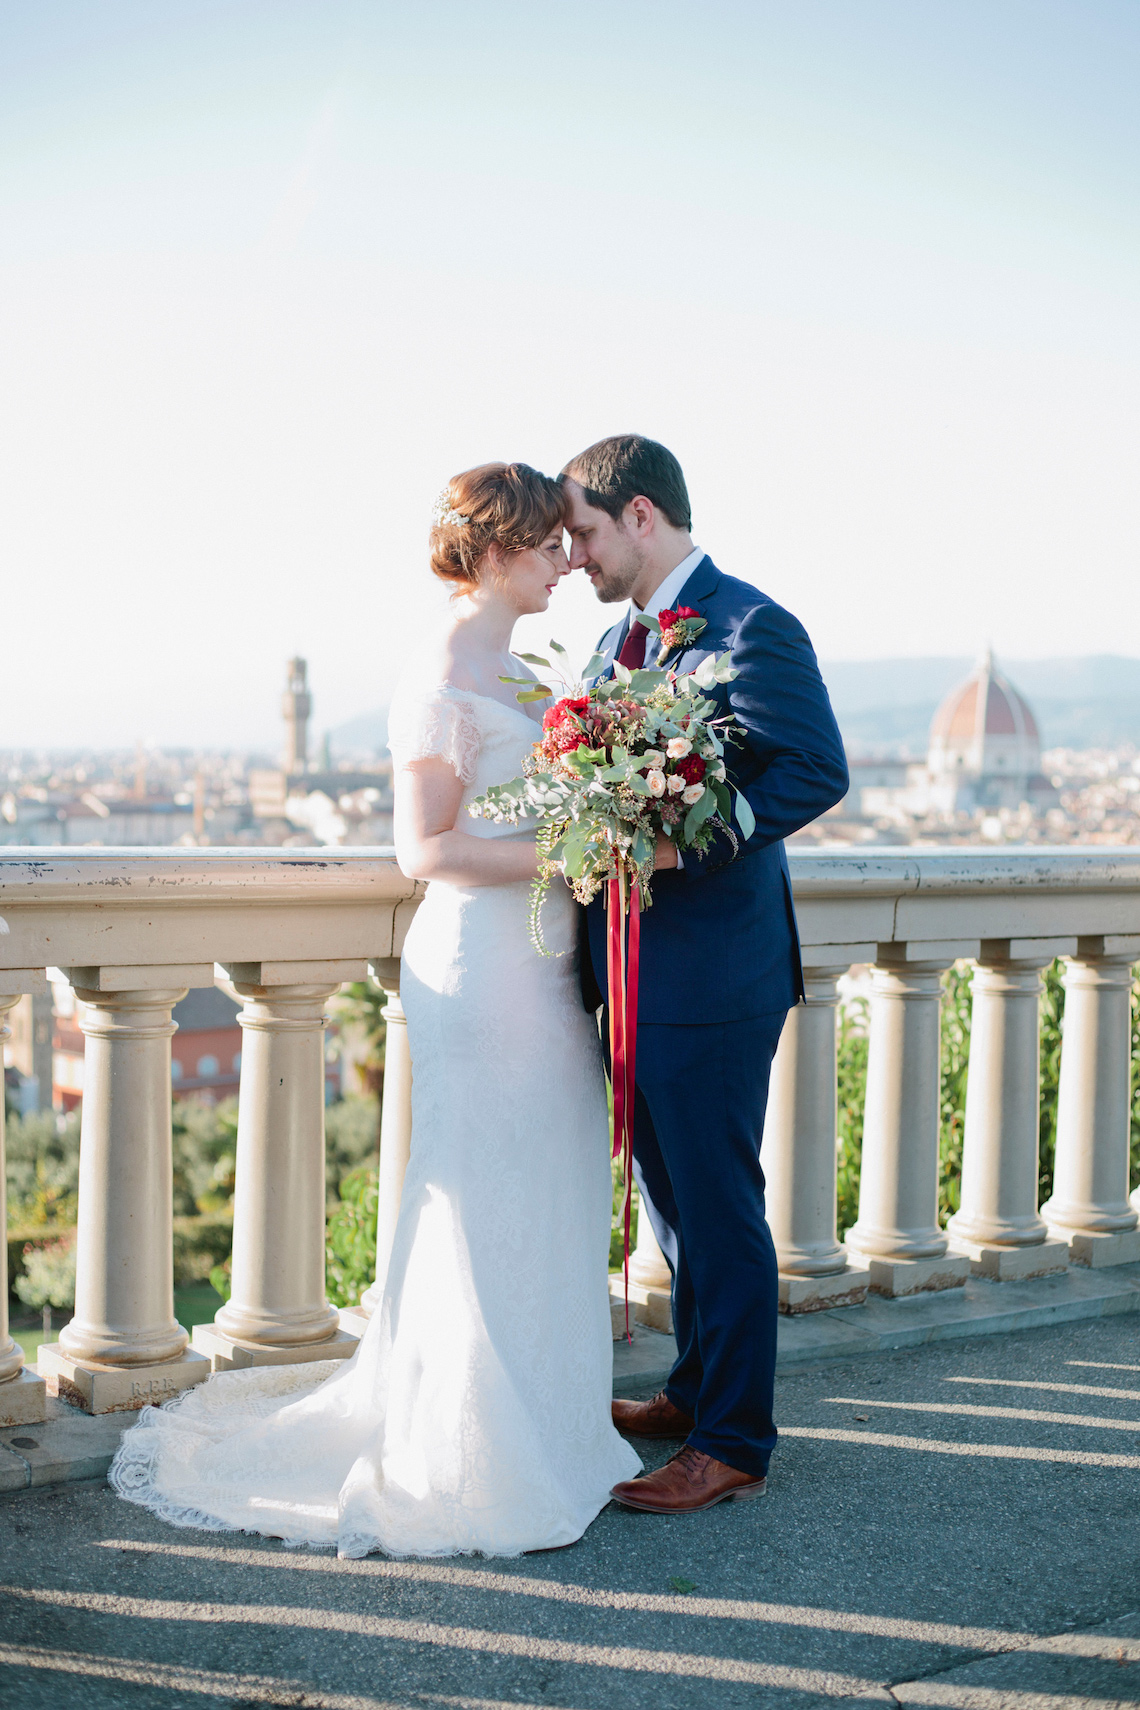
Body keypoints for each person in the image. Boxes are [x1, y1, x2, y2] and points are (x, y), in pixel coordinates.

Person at [110, 461, 640, 1557]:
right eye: (547, 546)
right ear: (496, 551)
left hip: (540, 967)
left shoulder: (521, 665)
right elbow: (425, 848)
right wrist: (567, 845)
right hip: (484, 972)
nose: (563, 563)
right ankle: (465, 1454)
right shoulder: (444, 668)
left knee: (544, 1180)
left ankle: (546, 1428)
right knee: (483, 1193)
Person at [562, 434, 849, 1513]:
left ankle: (733, 1439)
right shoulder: (610, 643)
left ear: (641, 516)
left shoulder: (751, 625)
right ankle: (691, 1390)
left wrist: (688, 847)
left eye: (585, 533)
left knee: (720, 1205)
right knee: (673, 1199)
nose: (576, 556)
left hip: (717, 968)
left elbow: (816, 768)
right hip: (630, 965)